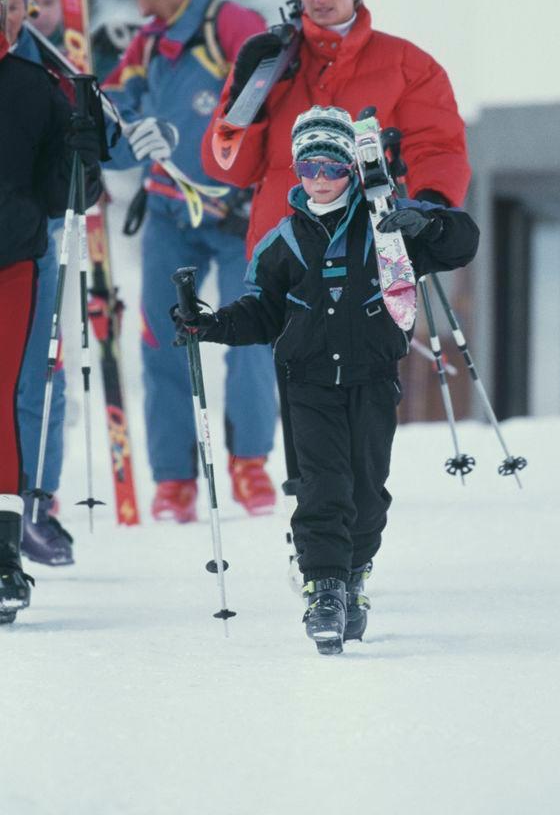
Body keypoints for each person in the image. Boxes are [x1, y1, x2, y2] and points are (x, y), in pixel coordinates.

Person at [174, 105, 479, 653]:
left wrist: (429, 222)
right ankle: (325, 590)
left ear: (353, 171)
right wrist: (210, 324)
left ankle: (355, 573)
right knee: (322, 485)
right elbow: (260, 313)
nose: (319, 179)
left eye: (332, 168)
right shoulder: (281, 241)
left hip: (371, 377)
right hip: (307, 381)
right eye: (308, 167)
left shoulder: (386, 225)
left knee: (366, 489)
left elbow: (463, 243)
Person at [201, 0, 473, 488]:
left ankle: (354, 526)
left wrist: (429, 209)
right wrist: (245, 89)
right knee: (300, 394)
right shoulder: (274, 64)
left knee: (364, 403)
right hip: (288, 251)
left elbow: (438, 145)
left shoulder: (407, 64)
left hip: (372, 258)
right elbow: (227, 164)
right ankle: (315, 528)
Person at [102, 0, 277, 521]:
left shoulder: (229, 23)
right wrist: (128, 136)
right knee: (162, 337)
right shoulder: (147, 43)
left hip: (236, 217)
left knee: (250, 334)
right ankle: (174, 479)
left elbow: (271, 90)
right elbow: (108, 113)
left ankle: (249, 464)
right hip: (169, 213)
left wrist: (253, 179)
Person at [0, 0, 103, 622]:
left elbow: (70, 193)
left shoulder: (35, 86)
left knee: (8, 401)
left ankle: (5, 554)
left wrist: (83, 149)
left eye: (6, 5)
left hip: (12, 260)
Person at [0, 0, 75, 566]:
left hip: (33, 246)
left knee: (35, 380)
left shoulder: (50, 70)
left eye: (19, 3)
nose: (10, 15)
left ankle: (33, 504)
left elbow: (96, 156)